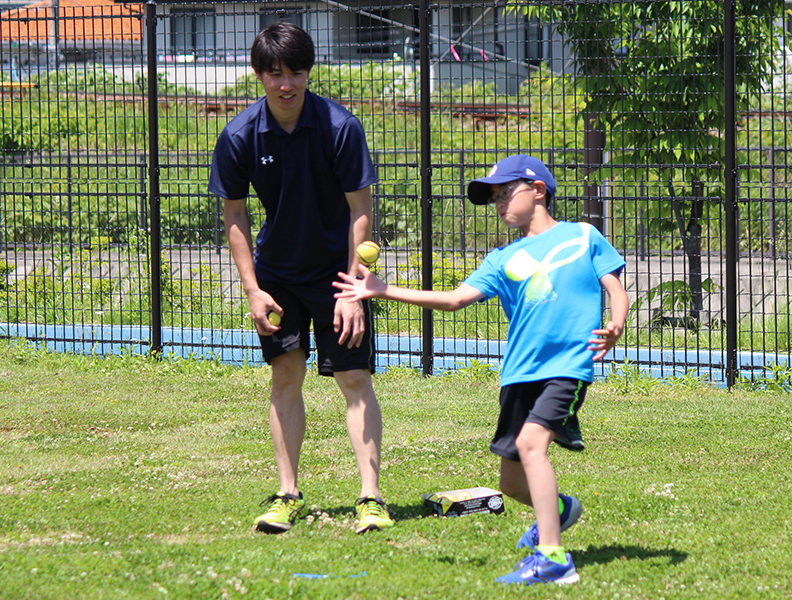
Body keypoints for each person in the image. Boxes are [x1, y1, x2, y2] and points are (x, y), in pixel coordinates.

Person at [334, 155, 629, 584]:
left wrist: (616, 323)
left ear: (539, 190)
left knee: (532, 446)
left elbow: (615, 287)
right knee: (511, 482)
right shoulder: (501, 258)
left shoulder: (583, 236)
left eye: (506, 192)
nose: (499, 203)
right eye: (494, 198)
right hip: (519, 374)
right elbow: (455, 299)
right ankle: (559, 510)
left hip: (567, 364)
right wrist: (383, 290)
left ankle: (553, 559)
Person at [208, 22, 393, 535]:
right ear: (259, 75)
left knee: (354, 379)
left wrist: (357, 284)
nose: (285, 83)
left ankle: (370, 499)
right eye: (274, 73)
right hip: (278, 277)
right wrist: (253, 288)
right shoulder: (240, 135)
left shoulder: (339, 127)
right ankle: (287, 494)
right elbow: (235, 216)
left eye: (295, 72)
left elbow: (362, 209)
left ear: (308, 72)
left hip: (337, 274)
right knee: (285, 376)